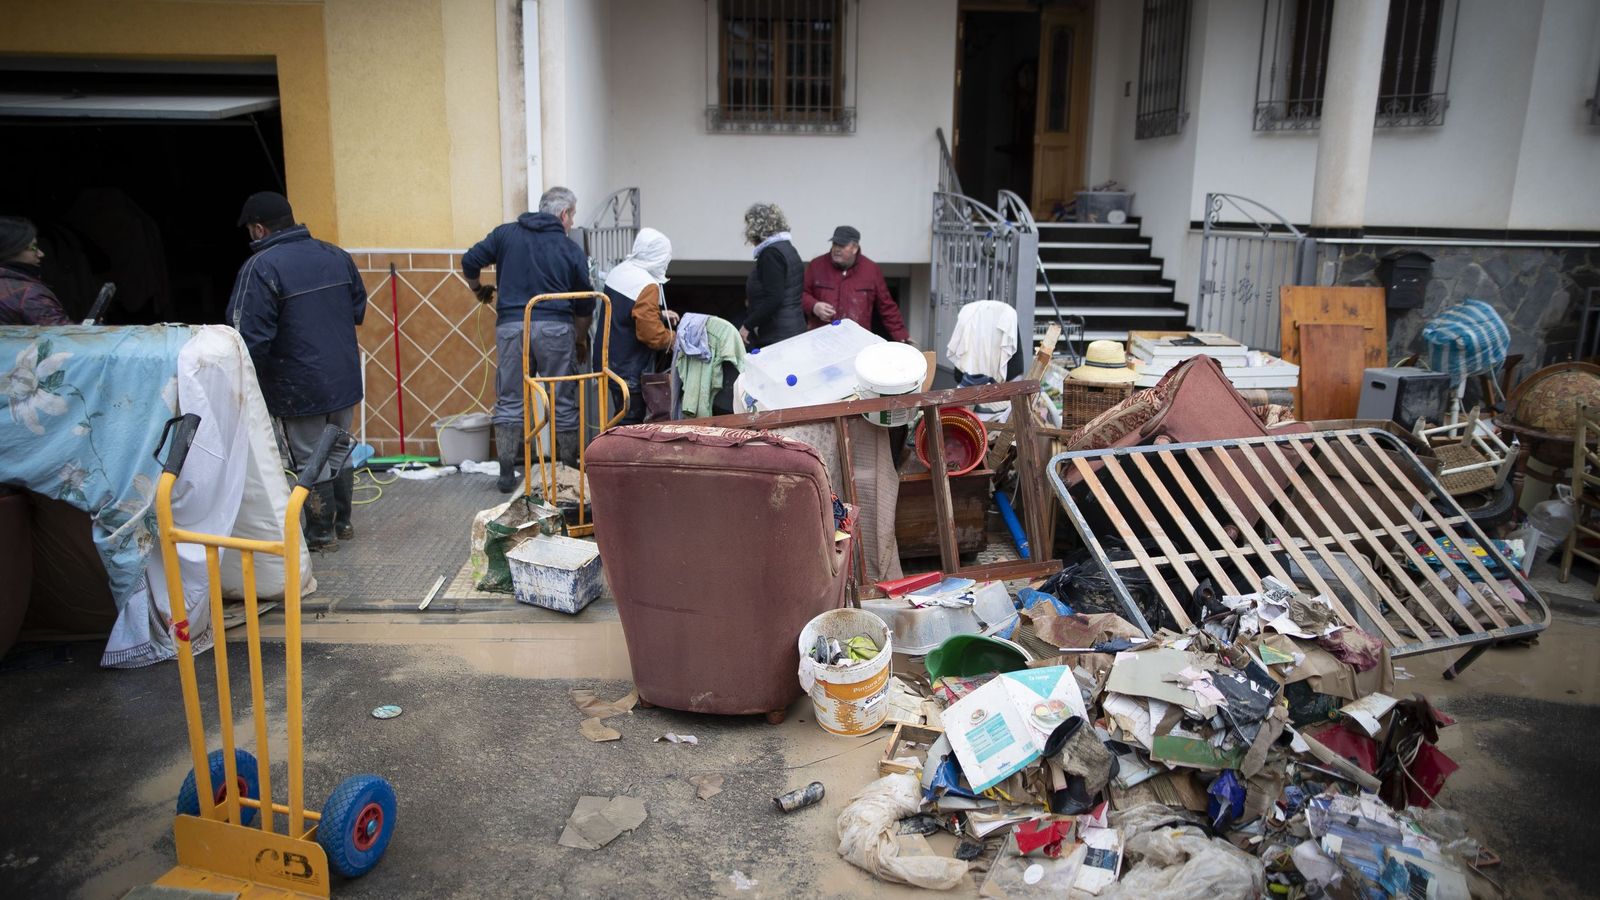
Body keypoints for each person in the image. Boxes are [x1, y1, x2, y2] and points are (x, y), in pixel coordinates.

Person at [226, 192, 367, 552]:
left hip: (298, 385)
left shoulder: (260, 267)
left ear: (259, 228)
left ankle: (321, 535)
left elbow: (247, 335)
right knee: (338, 450)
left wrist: (245, 382)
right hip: (344, 378)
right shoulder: (336, 256)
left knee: (309, 456)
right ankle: (343, 524)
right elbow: (357, 310)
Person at [463, 187, 595, 492]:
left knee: (509, 399)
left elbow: (470, 261)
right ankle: (568, 468)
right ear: (564, 215)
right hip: (555, 329)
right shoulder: (568, 247)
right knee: (562, 398)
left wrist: (477, 288)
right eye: (572, 216)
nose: (572, 223)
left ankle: (507, 473)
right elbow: (585, 302)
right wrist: (580, 340)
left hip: (512, 326)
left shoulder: (505, 234)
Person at [595, 228, 677, 425]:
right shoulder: (646, 284)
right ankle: (619, 456)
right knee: (631, 422)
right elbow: (651, 335)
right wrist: (674, 339)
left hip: (608, 362)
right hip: (629, 369)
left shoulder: (620, 271)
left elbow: (625, 312)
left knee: (620, 415)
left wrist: (658, 314)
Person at [801, 225, 910, 343]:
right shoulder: (816, 266)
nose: (836, 249)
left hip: (857, 342)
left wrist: (901, 335)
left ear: (855, 248)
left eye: (842, 245)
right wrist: (814, 306)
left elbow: (886, 306)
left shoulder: (871, 270)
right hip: (822, 341)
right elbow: (800, 294)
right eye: (834, 244)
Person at [739, 202, 805, 348]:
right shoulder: (787, 248)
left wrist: (747, 325)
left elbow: (774, 298)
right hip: (793, 328)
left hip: (779, 335)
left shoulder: (771, 254)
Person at [0, 217, 72, 325]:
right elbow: (64, 338)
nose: (41, 254)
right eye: (33, 247)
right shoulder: (29, 295)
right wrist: (94, 330)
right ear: (11, 249)